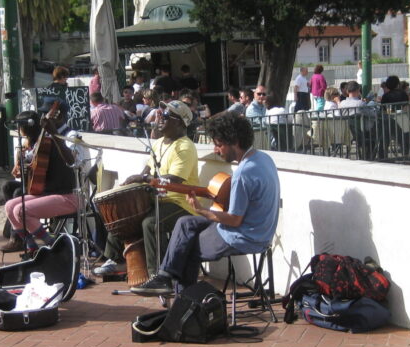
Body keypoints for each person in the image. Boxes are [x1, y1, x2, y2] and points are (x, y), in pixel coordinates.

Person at [131, 112, 280, 295]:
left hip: (245, 236)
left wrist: (201, 210)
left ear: (233, 141)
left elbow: (234, 220)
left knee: (186, 248)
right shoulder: (263, 158)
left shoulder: (243, 174)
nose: (216, 151)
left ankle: (185, 302)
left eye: (219, 145)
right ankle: (164, 276)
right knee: (185, 223)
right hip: (260, 230)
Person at [94, 101, 200, 277]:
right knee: (122, 212)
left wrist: (144, 179)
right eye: (161, 113)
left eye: (166, 115)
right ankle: (116, 260)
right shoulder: (158, 143)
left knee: (151, 222)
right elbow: (147, 170)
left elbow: (174, 180)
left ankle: (158, 274)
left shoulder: (185, 147)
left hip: (182, 202)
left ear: (180, 122)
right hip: (157, 198)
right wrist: (132, 185)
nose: (160, 117)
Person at [0, 110, 79, 253]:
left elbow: (70, 160)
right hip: (47, 192)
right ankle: (31, 246)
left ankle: (52, 244)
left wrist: (53, 133)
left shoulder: (54, 143)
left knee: (21, 210)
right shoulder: (39, 145)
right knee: (10, 206)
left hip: (66, 196)